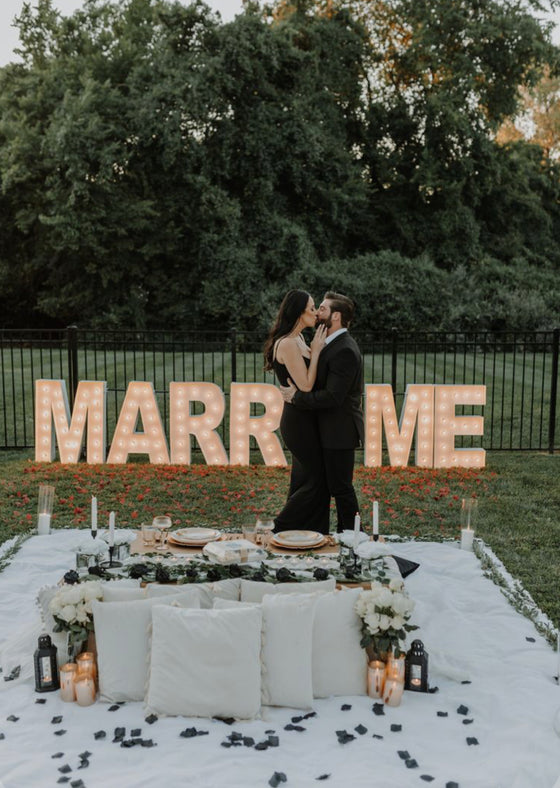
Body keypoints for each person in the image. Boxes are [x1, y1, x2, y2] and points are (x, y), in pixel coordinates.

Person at [280, 291, 364, 532]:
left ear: (335, 316)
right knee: (321, 484)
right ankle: (313, 532)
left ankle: (351, 536)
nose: (318, 313)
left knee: (341, 487)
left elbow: (333, 397)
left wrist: (298, 397)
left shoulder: (345, 349)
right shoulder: (329, 343)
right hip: (324, 429)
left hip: (339, 430)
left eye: (323, 309)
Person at [264, 290, 330, 533]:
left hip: (306, 417)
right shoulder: (289, 343)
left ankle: (305, 533)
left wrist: (313, 349)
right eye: (312, 308)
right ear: (299, 312)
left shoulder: (300, 340)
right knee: (318, 480)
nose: (316, 313)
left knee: (303, 478)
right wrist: (317, 351)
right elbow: (306, 385)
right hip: (297, 421)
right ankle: (279, 528)